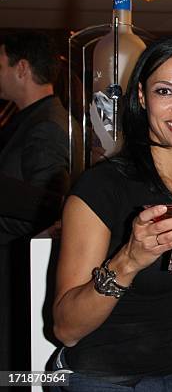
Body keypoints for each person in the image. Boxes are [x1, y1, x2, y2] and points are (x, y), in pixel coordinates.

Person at [52, 36, 172, 391]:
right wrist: (129, 260)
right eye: (165, 92)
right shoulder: (102, 187)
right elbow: (66, 329)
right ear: (140, 96)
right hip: (106, 379)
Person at [0, 31, 82, 371]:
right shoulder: (27, 117)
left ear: (21, 68)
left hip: (16, 273)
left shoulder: (47, 124)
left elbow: (52, 206)